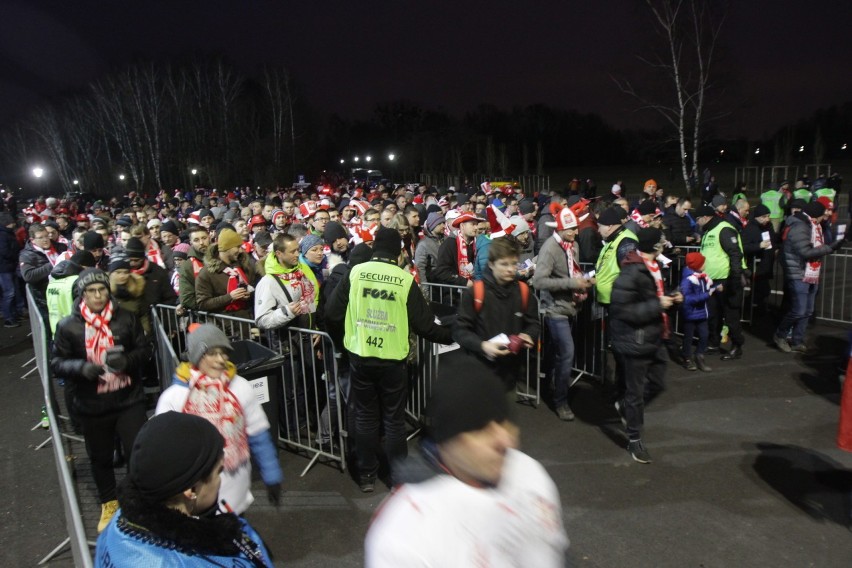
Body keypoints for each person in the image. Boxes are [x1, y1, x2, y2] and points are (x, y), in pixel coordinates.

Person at [365, 370, 569, 567]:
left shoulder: (529, 474)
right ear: (447, 443)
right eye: (481, 429)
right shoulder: (404, 536)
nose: (504, 440)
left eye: (502, 421)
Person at [326, 227, 453, 492]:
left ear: (375, 248)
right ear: (397, 251)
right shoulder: (405, 279)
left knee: (364, 417)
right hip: (393, 361)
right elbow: (424, 325)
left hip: (360, 356)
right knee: (394, 421)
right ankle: (397, 479)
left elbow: (332, 312)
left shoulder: (356, 272)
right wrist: (454, 335)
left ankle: (366, 476)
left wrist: (342, 341)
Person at [95, 412, 274, 567]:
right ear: (192, 490)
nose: (220, 481)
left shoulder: (117, 526)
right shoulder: (195, 559)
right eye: (218, 472)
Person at [52, 268, 150, 531]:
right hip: (92, 403)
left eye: (102, 289)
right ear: (82, 294)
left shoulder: (125, 318)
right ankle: (109, 501)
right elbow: (57, 363)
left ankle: (135, 499)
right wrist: (81, 368)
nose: (98, 295)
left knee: (136, 452)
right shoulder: (68, 325)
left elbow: (144, 350)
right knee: (101, 457)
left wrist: (127, 361)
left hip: (128, 398)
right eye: (91, 291)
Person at [155, 324, 282, 514]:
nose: (220, 360)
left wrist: (272, 475)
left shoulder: (240, 387)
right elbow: (163, 452)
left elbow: (258, 434)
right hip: (194, 500)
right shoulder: (174, 397)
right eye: (212, 353)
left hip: (235, 493)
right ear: (197, 356)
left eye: (223, 353)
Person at [610, 228, 682, 463]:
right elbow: (622, 309)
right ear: (655, 246)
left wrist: (672, 297)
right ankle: (634, 440)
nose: (665, 243)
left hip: (655, 335)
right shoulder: (631, 271)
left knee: (658, 383)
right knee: (636, 393)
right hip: (635, 340)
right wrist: (657, 305)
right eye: (661, 241)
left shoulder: (655, 268)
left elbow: (655, 295)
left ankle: (624, 407)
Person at [531, 207, 595, 421]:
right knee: (567, 352)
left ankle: (546, 382)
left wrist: (582, 282)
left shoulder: (573, 245)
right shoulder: (550, 248)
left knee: (554, 350)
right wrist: (572, 283)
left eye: (576, 228)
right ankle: (560, 401)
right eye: (570, 229)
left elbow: (571, 271)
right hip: (554, 309)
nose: (575, 233)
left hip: (571, 306)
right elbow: (538, 281)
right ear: (560, 228)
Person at [454, 237, 540, 394]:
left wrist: (528, 335)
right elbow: (460, 330)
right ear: (492, 264)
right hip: (478, 371)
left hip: (509, 374)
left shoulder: (523, 291)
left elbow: (533, 323)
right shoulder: (475, 293)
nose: (510, 269)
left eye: (514, 264)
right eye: (504, 264)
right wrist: (483, 346)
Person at [774, 201, 846, 353]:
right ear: (815, 215)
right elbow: (806, 252)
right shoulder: (800, 227)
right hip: (799, 272)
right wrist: (830, 248)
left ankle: (797, 341)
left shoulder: (813, 225)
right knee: (799, 310)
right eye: (823, 214)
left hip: (811, 272)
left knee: (807, 310)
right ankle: (780, 334)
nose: (825, 217)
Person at [696, 205, 746, 360]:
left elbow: (735, 254)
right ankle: (714, 343)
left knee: (730, 315)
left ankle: (737, 345)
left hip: (726, 279)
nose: (696, 222)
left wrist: (734, 280)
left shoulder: (724, 229)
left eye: (697, 219)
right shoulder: (708, 230)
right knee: (713, 314)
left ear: (705, 218)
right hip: (711, 280)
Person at [196, 228, 256, 319]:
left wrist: (248, 295)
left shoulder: (245, 267)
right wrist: (230, 297)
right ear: (226, 248)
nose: (240, 251)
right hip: (222, 326)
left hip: (246, 321)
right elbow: (203, 304)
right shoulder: (207, 273)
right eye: (237, 247)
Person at [679, 252, 715, 372]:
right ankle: (687, 357)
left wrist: (714, 288)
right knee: (688, 337)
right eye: (703, 262)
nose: (705, 264)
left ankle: (699, 355)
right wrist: (706, 295)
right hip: (691, 313)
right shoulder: (688, 279)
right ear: (698, 265)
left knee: (704, 335)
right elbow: (687, 298)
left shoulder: (701, 276)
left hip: (701, 312)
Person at [431, 212, 484, 287]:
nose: (476, 228)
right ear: (462, 226)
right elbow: (442, 272)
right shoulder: (449, 244)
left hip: (472, 289)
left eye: (476, 224)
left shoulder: (477, 243)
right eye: (473, 224)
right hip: (453, 293)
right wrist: (464, 282)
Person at [0, 212, 22, 327]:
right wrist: (16, 255)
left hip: (9, 267)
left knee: (13, 292)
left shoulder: (7, 233)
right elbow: (4, 252)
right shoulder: (3, 235)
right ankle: (8, 318)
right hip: (4, 269)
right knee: (9, 293)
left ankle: (14, 314)